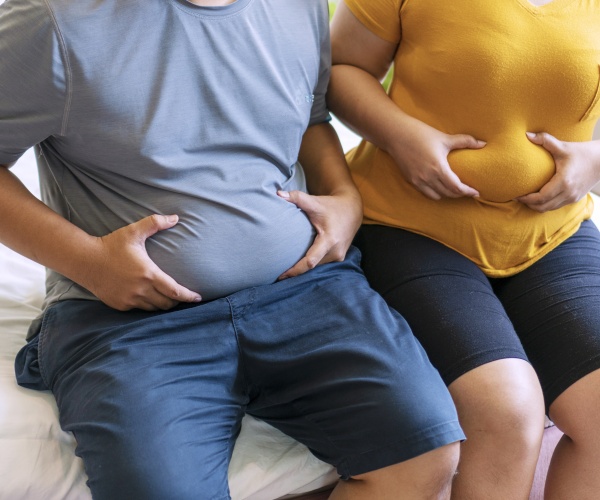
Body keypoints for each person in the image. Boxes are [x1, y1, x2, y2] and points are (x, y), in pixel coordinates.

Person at [0, 0, 466, 498]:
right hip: (128, 323)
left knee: (423, 450)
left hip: (304, 289)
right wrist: (86, 261)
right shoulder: (54, 20)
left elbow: (311, 116)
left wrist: (345, 196)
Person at [327, 0, 600, 498]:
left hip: (552, 233)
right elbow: (341, 67)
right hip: (409, 226)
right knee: (507, 411)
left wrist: (594, 160)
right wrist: (401, 136)